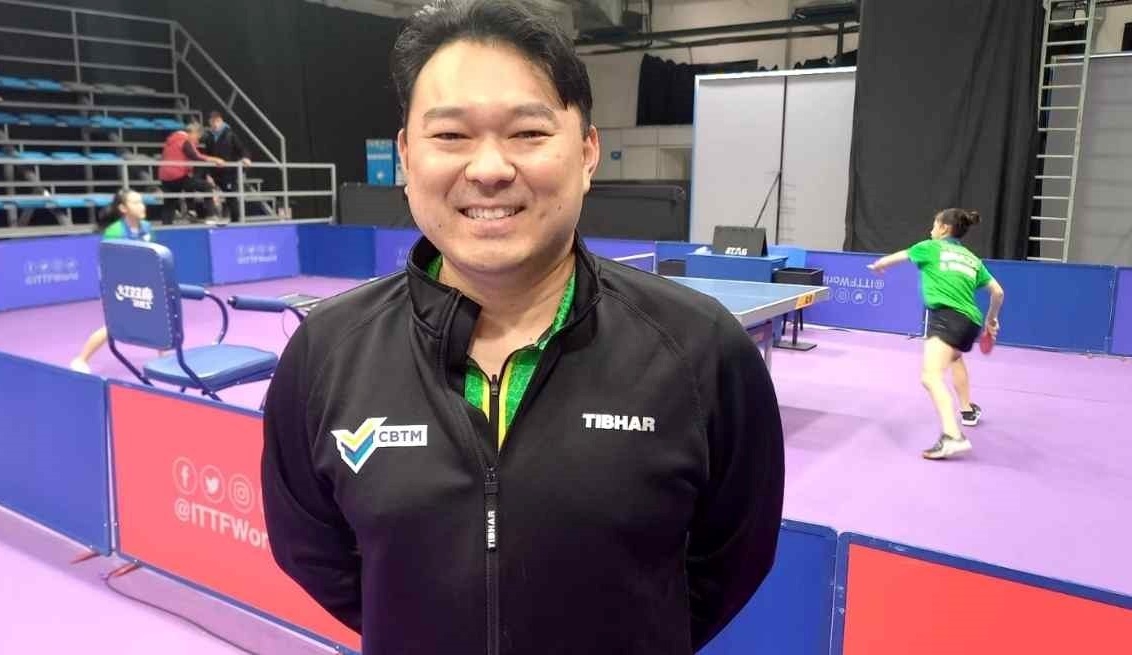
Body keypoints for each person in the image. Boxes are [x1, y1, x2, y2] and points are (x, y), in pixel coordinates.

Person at [261, 2, 785, 654]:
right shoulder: (326, 353)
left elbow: (731, 557)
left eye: (528, 133)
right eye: (451, 135)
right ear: (406, 156)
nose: (489, 169)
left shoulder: (702, 352)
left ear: (587, 152)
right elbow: (312, 551)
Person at [868, 208, 1006, 460]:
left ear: (944, 228)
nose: (931, 230)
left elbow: (894, 259)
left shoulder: (930, 247)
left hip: (945, 318)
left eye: (934, 225)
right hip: (971, 323)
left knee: (930, 377)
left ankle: (952, 436)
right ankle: (967, 409)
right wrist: (991, 320)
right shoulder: (973, 259)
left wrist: (879, 265)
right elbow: (998, 292)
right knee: (954, 358)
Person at [69, 189, 153, 374]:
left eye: (141, 202)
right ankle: (80, 360)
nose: (141, 206)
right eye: (135, 203)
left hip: (141, 284)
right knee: (113, 326)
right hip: (118, 286)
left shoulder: (146, 227)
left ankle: (166, 360)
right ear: (123, 208)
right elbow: (110, 265)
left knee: (158, 320)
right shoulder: (114, 232)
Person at [159, 122, 223, 223]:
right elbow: (195, 156)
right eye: (197, 138)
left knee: (169, 203)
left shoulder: (171, 141)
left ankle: (167, 225)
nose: (197, 142)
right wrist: (215, 159)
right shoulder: (185, 140)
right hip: (178, 175)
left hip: (165, 177)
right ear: (193, 133)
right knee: (206, 186)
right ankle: (211, 215)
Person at [201, 110, 252, 220]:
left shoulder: (230, 134)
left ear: (221, 121)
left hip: (228, 173)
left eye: (216, 121)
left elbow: (242, 148)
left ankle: (236, 221)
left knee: (231, 198)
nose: (214, 125)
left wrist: (246, 158)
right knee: (207, 190)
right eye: (212, 122)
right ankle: (213, 216)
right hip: (214, 172)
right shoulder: (208, 137)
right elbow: (207, 156)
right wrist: (208, 173)